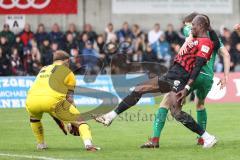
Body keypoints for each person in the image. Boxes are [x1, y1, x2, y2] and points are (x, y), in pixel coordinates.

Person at [95, 15, 218, 148]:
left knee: (176, 113)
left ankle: (207, 137)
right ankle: (110, 116)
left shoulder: (206, 43)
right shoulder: (194, 37)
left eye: (193, 25)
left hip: (180, 77)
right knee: (140, 88)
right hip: (172, 73)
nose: (190, 28)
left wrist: (187, 88)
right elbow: (192, 32)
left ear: (200, 26)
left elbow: (198, 66)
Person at [141, 13, 230, 148]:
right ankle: (202, 139)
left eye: (189, 24)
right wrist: (226, 76)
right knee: (200, 105)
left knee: (166, 104)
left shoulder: (192, 34)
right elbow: (226, 54)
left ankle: (155, 140)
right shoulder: (215, 39)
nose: (188, 27)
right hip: (207, 78)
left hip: (193, 75)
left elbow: (188, 39)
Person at [26, 50, 100, 151]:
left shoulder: (43, 69)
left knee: (35, 119)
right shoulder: (68, 72)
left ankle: (41, 144)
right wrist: (71, 121)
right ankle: (89, 145)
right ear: (67, 61)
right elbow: (69, 98)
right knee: (81, 121)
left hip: (31, 100)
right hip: (52, 101)